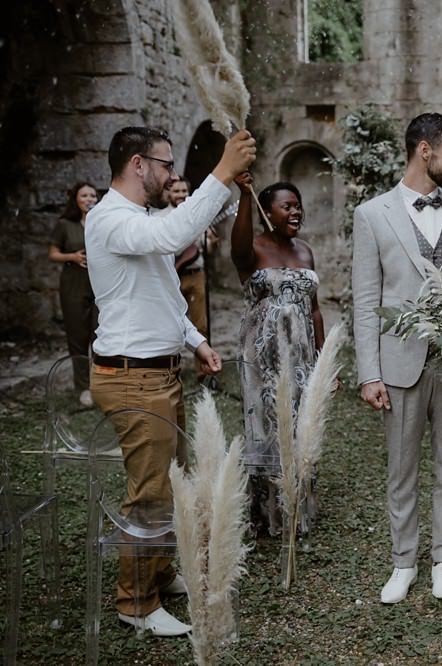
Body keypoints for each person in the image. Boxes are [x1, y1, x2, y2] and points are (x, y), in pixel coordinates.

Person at [86, 126, 255, 637]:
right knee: (151, 494)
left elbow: (163, 295)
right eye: (166, 165)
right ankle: (135, 603)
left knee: (170, 483)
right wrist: (220, 173)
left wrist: (195, 339)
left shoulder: (142, 218)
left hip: (159, 372)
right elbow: (172, 236)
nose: (172, 175)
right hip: (132, 378)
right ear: (138, 165)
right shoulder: (108, 218)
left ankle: (159, 573)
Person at [353, 112, 442, 603]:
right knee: (401, 471)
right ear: (424, 151)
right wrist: (370, 373)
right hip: (399, 365)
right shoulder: (372, 215)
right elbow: (366, 300)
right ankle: (403, 563)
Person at [231, 174, 325, 538]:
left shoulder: (305, 251)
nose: (296, 211)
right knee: (266, 428)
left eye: (297, 205)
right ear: (266, 212)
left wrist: (321, 358)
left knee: (300, 427)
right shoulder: (252, 249)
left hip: (301, 357)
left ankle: (296, 508)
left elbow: (314, 310)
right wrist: (242, 195)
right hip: (262, 359)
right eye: (287, 206)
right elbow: (236, 250)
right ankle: (265, 514)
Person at [48, 182, 100, 407]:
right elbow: (52, 254)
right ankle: (83, 388)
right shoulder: (64, 224)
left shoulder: (102, 222)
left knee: (101, 336)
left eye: (93, 195)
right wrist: (73, 257)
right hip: (73, 284)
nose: (89, 199)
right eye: (84, 195)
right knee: (78, 337)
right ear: (76, 200)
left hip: (100, 284)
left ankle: (103, 386)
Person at [168, 177, 218, 340]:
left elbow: (208, 251)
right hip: (172, 276)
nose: (181, 195)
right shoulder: (163, 217)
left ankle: (203, 364)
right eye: (176, 191)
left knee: (201, 325)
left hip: (196, 274)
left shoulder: (199, 216)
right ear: (169, 192)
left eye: (184, 191)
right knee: (171, 324)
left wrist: (209, 241)